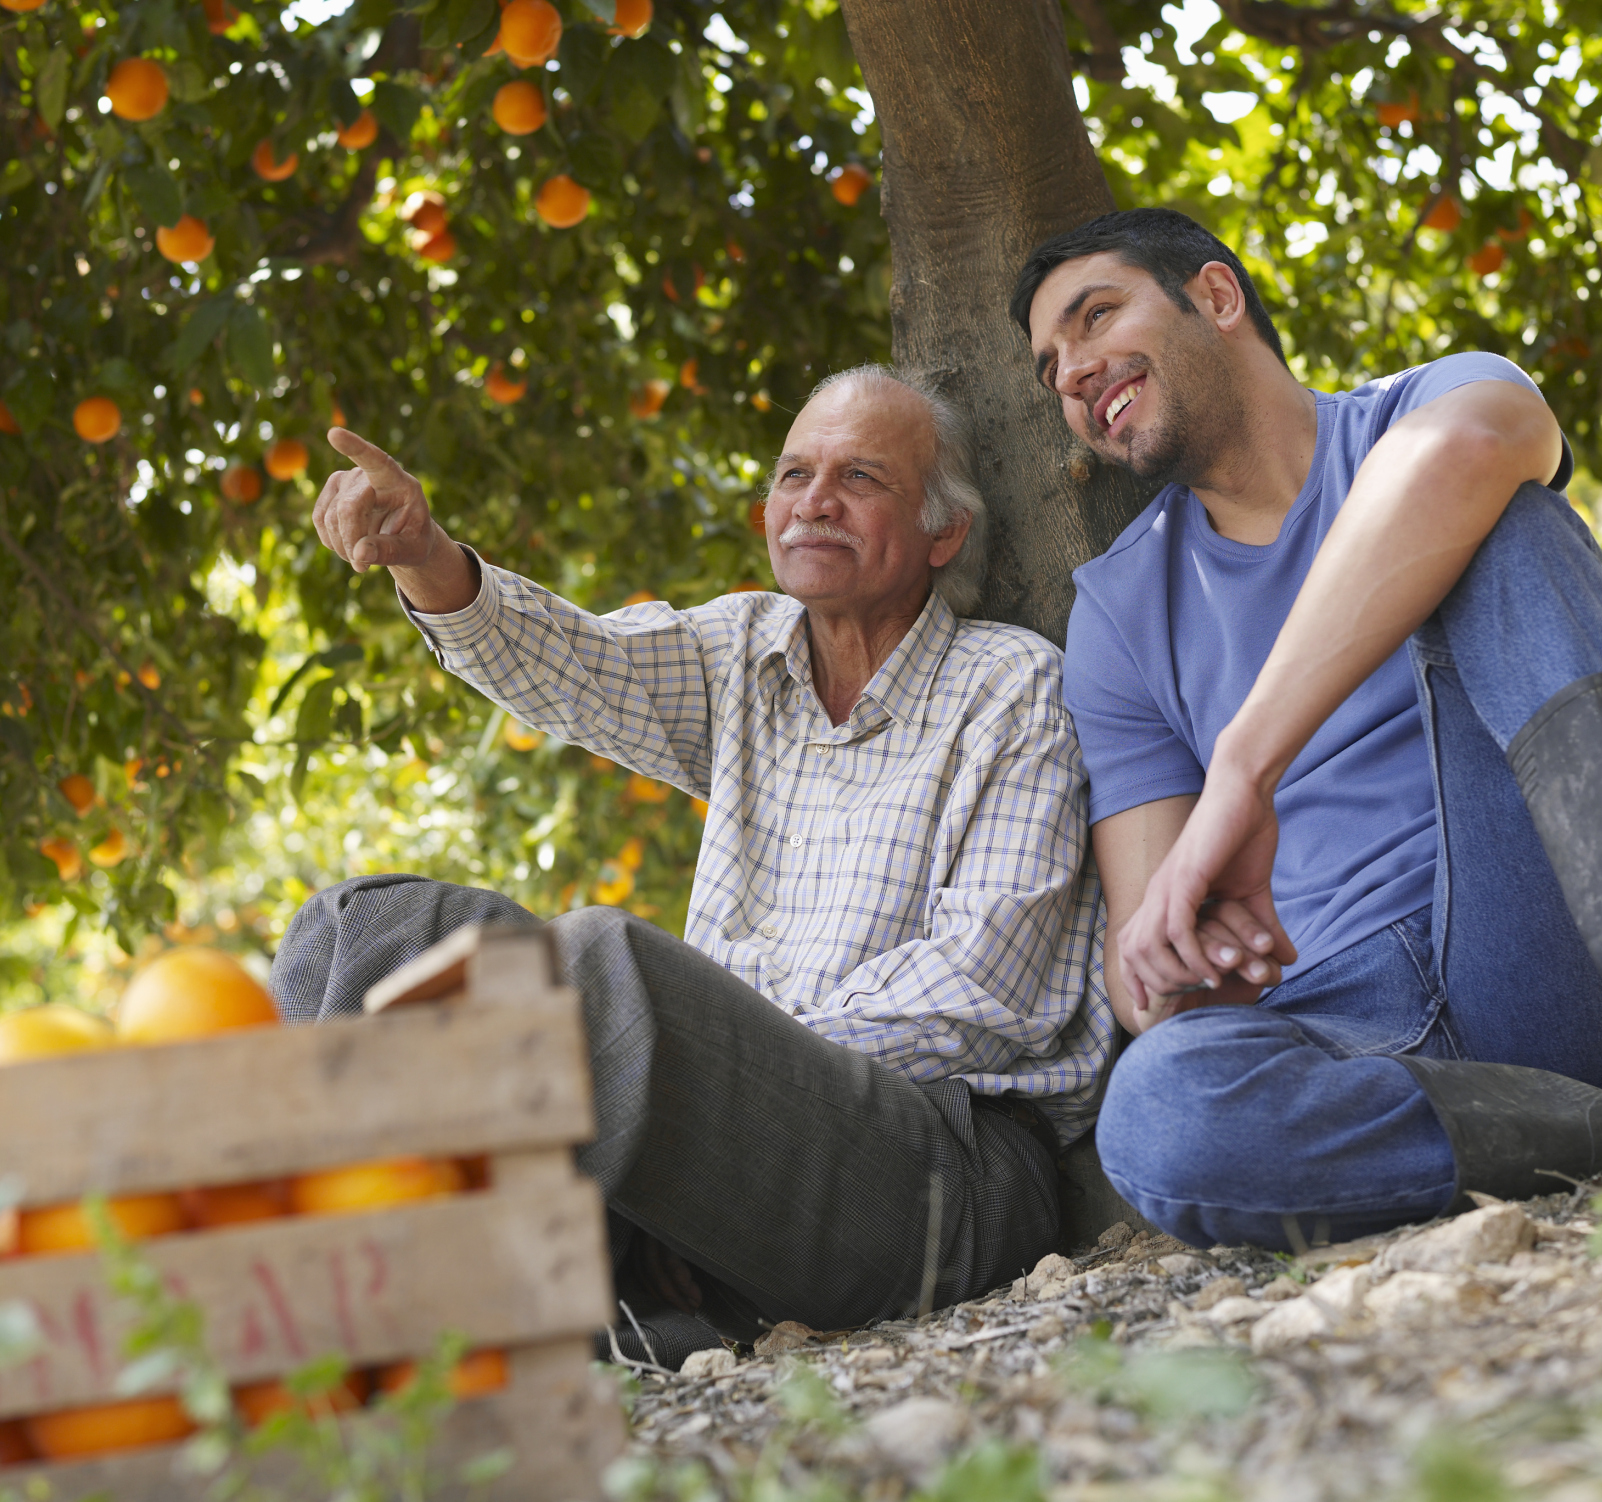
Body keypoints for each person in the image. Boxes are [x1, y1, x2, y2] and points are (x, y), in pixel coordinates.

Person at [1011, 207, 1602, 1252]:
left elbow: (1481, 445)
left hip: (1538, 936)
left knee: (1506, 519)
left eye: (1094, 315)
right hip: (1350, 1031)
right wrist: (1174, 960)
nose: (1070, 370)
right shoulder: (1115, 614)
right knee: (1158, 1109)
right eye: (1048, 363)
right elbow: (1143, 968)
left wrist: (1243, 770)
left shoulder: (1429, 406)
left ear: (1214, 295)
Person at [275, 364, 1112, 1358]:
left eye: (859, 479)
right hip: (722, 1147)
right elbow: (573, 667)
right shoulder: (739, 648)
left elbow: (980, 989)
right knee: (358, 925)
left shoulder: (1012, 688)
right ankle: (296, 1237)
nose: (812, 501)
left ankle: (593, 1257)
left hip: (941, 1166)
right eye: (793, 474)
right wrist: (424, 554)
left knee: (597, 969)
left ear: (942, 531)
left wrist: (717, 1075)